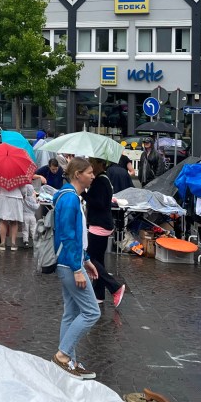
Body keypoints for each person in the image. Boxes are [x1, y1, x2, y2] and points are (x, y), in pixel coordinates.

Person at [52, 157, 101, 380]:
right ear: (77, 174)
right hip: (69, 263)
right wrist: (77, 268)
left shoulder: (70, 197)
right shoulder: (70, 199)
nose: (93, 175)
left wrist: (86, 259)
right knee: (92, 312)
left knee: (70, 313)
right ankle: (63, 356)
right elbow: (68, 236)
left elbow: (75, 236)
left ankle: (68, 362)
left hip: (71, 261)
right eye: (89, 172)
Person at [83, 158, 126, 308]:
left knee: (91, 259)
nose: (91, 166)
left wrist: (84, 194)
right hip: (101, 223)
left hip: (100, 225)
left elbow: (99, 203)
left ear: (101, 164)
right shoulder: (102, 179)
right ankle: (99, 294)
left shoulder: (101, 181)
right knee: (98, 262)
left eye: (93, 163)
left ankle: (115, 287)